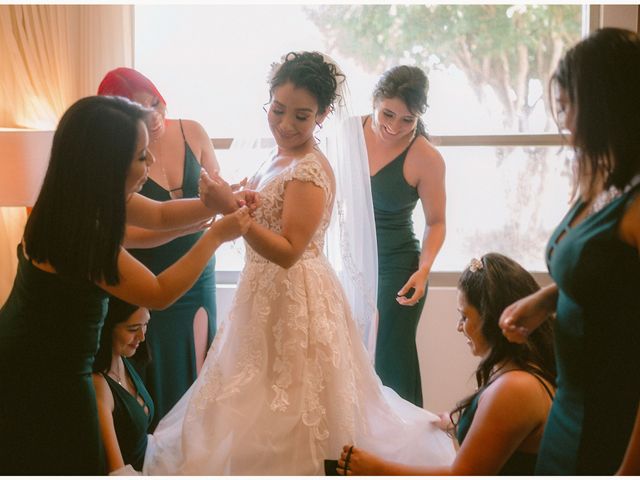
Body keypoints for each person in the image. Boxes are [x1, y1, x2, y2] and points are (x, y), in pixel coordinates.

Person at [143, 52, 455, 475]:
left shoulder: (309, 170)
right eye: (278, 110)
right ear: (268, 102)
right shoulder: (275, 156)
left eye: (301, 116)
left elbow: (290, 250)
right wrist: (237, 201)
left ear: (322, 116)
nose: (286, 124)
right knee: (252, 397)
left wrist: (233, 216)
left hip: (294, 298)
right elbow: (266, 215)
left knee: (290, 403)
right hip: (262, 292)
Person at [0, 95, 250, 474]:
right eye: (141, 157)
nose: (150, 165)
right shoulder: (80, 232)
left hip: (36, 352)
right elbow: (158, 292)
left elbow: (163, 215)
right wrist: (215, 237)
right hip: (43, 371)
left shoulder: (79, 198)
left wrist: (222, 202)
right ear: (106, 164)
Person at [499, 28, 640, 475]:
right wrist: (546, 298)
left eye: (567, 107)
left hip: (613, 429)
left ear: (602, 106)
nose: (564, 122)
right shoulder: (605, 181)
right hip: (570, 408)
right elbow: (607, 272)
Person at [337, 253, 555, 475]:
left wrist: (376, 469)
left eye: (465, 317)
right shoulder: (518, 373)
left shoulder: (514, 388)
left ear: (491, 317)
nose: (459, 327)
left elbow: (462, 476)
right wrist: (454, 422)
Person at [98, 67, 226, 429]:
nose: (152, 115)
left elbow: (171, 210)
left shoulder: (191, 131)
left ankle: (192, 440)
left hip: (198, 270)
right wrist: (202, 229)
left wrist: (225, 201)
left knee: (199, 360)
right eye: (140, 108)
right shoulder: (116, 166)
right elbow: (135, 231)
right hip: (148, 272)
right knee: (154, 366)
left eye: (154, 102)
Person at [363, 65, 446, 407]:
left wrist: (423, 271)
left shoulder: (426, 157)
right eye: (388, 114)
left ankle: (406, 454)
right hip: (351, 265)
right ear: (375, 101)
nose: (394, 127)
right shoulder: (347, 132)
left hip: (398, 270)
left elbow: (436, 222)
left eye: (407, 120)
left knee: (390, 364)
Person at [92, 297, 154, 475]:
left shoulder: (123, 360)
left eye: (145, 324)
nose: (142, 336)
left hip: (148, 461)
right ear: (108, 328)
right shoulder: (100, 385)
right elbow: (116, 470)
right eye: (133, 328)